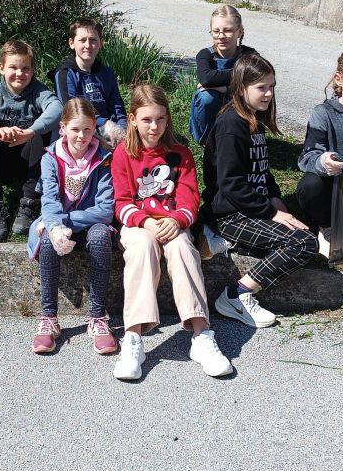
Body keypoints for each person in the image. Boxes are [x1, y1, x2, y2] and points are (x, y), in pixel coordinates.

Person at [110, 83, 232, 381]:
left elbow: (190, 198)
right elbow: (121, 201)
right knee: (142, 248)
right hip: (138, 225)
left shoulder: (181, 153)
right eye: (147, 120)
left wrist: (177, 220)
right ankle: (134, 338)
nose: (154, 127)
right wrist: (145, 222)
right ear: (133, 119)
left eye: (160, 119)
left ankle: (201, 335)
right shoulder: (123, 154)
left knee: (182, 248)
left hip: (173, 223)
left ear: (167, 119)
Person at [202, 54, 319, 329]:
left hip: (251, 208)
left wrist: (276, 201)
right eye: (261, 87)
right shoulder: (231, 125)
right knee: (304, 243)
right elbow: (231, 185)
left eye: (271, 86)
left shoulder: (252, 120)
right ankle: (236, 295)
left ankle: (232, 244)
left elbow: (262, 172)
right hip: (231, 215)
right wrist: (270, 212)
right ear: (242, 88)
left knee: (303, 233)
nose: (269, 93)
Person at [25, 98, 117, 355]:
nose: (81, 136)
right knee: (47, 239)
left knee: (99, 237)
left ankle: (97, 317)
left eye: (87, 129)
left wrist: (61, 221)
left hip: (91, 223)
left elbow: (105, 210)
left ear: (94, 128)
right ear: (63, 128)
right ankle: (49, 318)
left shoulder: (103, 158)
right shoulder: (50, 158)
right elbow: (50, 200)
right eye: (75, 129)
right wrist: (54, 226)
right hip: (57, 221)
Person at [0, 40, 63, 241]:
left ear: (32, 70)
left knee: (43, 131)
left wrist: (30, 131)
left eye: (25, 68)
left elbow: (57, 108)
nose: (19, 73)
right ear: (1, 68)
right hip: (0, 162)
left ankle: (29, 202)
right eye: (13, 67)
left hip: (30, 162)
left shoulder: (39, 92)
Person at [296, 45, 343, 257]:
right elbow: (307, 157)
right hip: (333, 185)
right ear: (338, 79)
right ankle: (327, 225)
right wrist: (324, 161)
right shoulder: (324, 113)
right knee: (310, 185)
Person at [188, 4, 259, 145]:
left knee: (258, 90)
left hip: (237, 106)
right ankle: (208, 142)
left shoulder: (250, 54)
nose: (221, 36)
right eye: (216, 31)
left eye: (228, 30)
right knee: (207, 97)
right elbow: (206, 79)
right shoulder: (205, 54)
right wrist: (240, 77)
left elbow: (258, 79)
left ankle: (246, 135)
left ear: (240, 31)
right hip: (209, 116)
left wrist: (223, 88)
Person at [50, 17, 127, 146]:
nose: (88, 45)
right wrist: (103, 123)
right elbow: (70, 110)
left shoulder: (107, 73)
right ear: (72, 43)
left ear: (100, 43)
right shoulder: (65, 74)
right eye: (82, 40)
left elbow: (116, 105)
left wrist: (122, 128)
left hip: (109, 130)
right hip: (79, 133)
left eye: (93, 40)